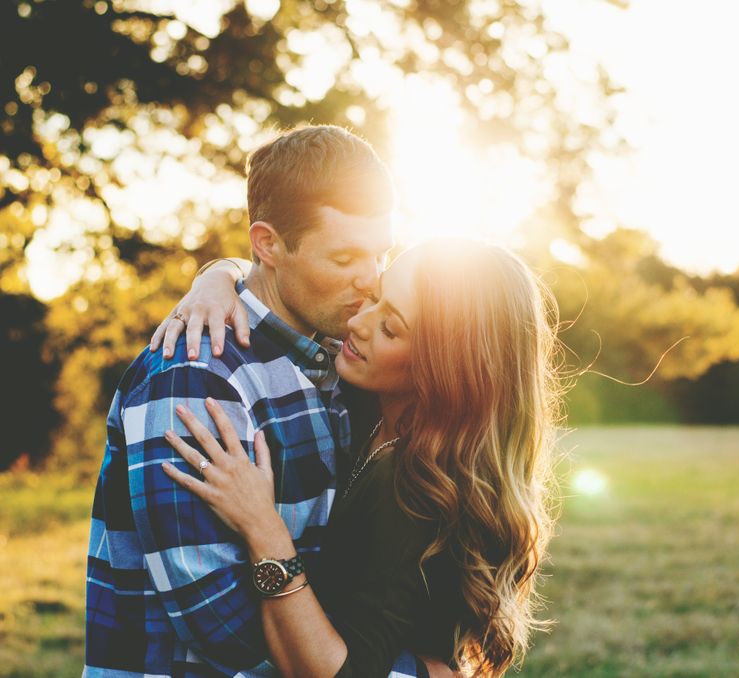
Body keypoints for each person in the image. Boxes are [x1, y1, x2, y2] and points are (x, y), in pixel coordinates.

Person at [83, 124, 449, 677]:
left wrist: (218, 273)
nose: (371, 279)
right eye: (346, 256)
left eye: (381, 253)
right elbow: (218, 624)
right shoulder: (196, 377)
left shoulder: (337, 360)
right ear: (268, 244)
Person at [153, 239, 559, 676]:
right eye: (377, 297)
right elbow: (274, 267)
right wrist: (215, 279)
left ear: (444, 369)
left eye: (391, 328)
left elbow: (337, 671)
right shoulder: (363, 406)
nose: (360, 322)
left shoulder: (416, 491)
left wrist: (261, 526)